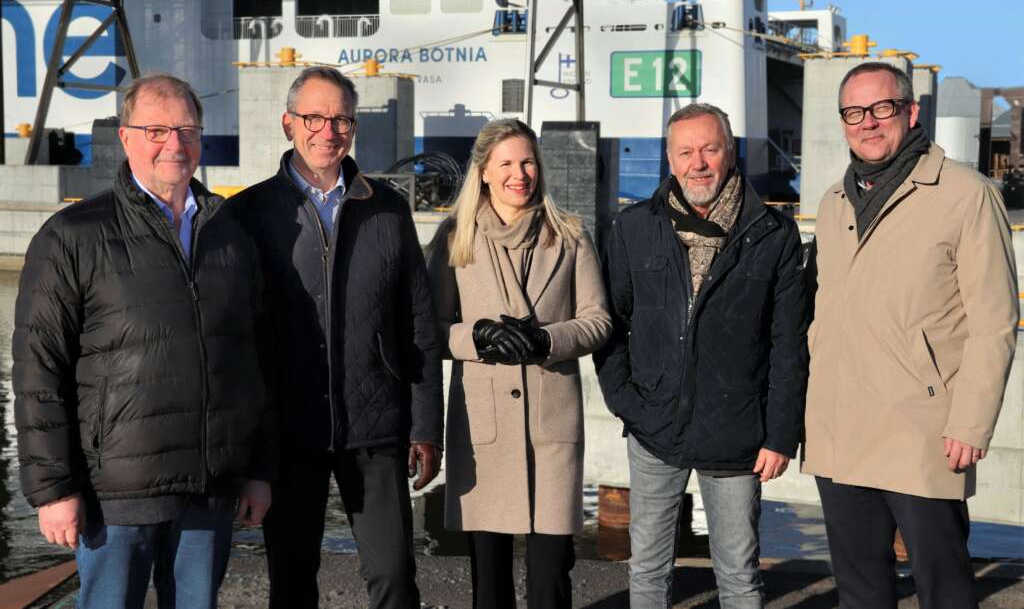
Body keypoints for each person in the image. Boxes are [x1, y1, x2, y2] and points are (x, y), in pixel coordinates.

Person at [12, 73, 274, 608]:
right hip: (117, 491)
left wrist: (257, 472)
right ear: (126, 137)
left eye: (186, 130)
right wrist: (53, 489)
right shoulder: (73, 236)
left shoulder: (230, 235)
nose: (173, 144)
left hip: (210, 485)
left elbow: (255, 362)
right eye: (156, 130)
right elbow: (39, 369)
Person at [225, 66, 444, 609]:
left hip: (375, 424)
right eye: (314, 117)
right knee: (292, 580)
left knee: (394, 576)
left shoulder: (387, 209)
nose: (328, 130)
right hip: (289, 430)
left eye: (341, 118)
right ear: (288, 124)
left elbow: (418, 320)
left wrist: (425, 424)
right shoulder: (249, 214)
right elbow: (234, 336)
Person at [802, 62, 1018, 609]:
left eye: (882, 108)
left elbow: (995, 320)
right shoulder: (832, 204)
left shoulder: (965, 194)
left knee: (943, 587)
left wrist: (971, 422)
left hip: (923, 432)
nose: (868, 123)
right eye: (855, 112)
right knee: (859, 592)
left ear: (910, 112)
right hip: (841, 430)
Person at [596, 103, 808, 608]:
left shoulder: (773, 235)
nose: (699, 163)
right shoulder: (634, 228)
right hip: (654, 428)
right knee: (647, 569)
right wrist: (627, 401)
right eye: (686, 151)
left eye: (710, 149)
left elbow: (788, 344)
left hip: (736, 437)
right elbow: (610, 325)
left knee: (738, 574)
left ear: (730, 153)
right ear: (669, 159)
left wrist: (779, 434)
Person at [426, 118, 611, 608]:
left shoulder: (569, 235)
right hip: (484, 429)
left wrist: (545, 340)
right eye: (505, 163)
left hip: (551, 427)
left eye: (527, 161)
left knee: (551, 576)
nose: (519, 173)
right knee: (489, 579)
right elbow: (431, 329)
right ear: (484, 171)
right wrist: (478, 337)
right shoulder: (454, 237)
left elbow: (598, 321)